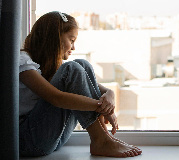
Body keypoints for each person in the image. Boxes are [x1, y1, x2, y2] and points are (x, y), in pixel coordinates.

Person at [19, 11, 142, 157]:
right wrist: (102, 108)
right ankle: (101, 141)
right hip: (28, 141)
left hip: (52, 139)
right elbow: (56, 98)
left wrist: (110, 94)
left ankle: (104, 138)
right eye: (71, 40)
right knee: (72, 68)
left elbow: (93, 88)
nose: (73, 47)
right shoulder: (23, 61)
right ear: (55, 38)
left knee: (81, 64)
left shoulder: (49, 65)